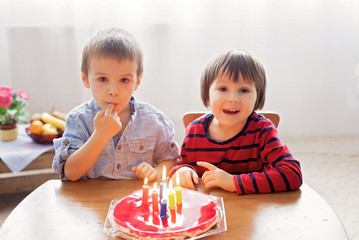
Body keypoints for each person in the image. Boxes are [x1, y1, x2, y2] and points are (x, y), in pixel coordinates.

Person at [53, 27, 179, 181]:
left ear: (137, 82)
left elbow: (170, 160)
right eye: (102, 79)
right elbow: (70, 173)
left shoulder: (154, 120)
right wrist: (100, 135)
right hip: (91, 203)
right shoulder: (78, 120)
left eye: (124, 80)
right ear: (86, 79)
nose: (113, 91)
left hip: (135, 201)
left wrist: (155, 172)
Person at [169, 49, 302, 194]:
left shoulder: (262, 130)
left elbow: (292, 174)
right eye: (223, 89)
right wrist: (183, 171)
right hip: (210, 210)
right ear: (207, 96)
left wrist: (234, 182)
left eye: (244, 90)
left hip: (251, 209)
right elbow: (184, 165)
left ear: (257, 98)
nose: (233, 98)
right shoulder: (194, 131)